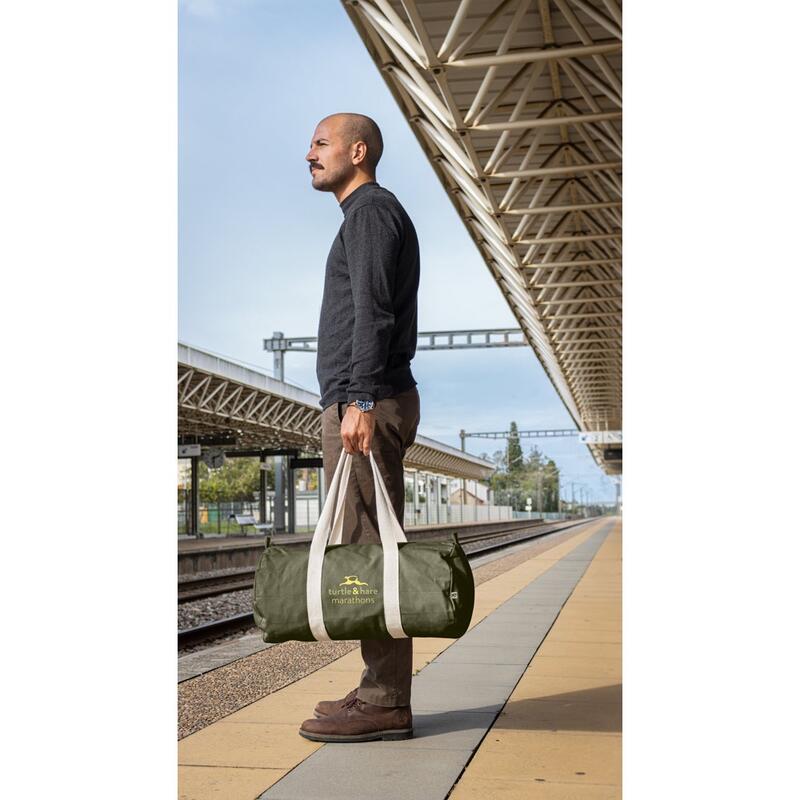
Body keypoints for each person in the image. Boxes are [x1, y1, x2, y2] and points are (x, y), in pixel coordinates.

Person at [297, 112, 421, 743]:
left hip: (366, 399)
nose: (309, 154)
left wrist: (361, 399)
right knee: (366, 544)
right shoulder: (363, 216)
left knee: (371, 549)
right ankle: (378, 685)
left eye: (321, 143)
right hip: (363, 396)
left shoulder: (370, 213)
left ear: (358, 151)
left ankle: (385, 701)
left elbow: (372, 312)